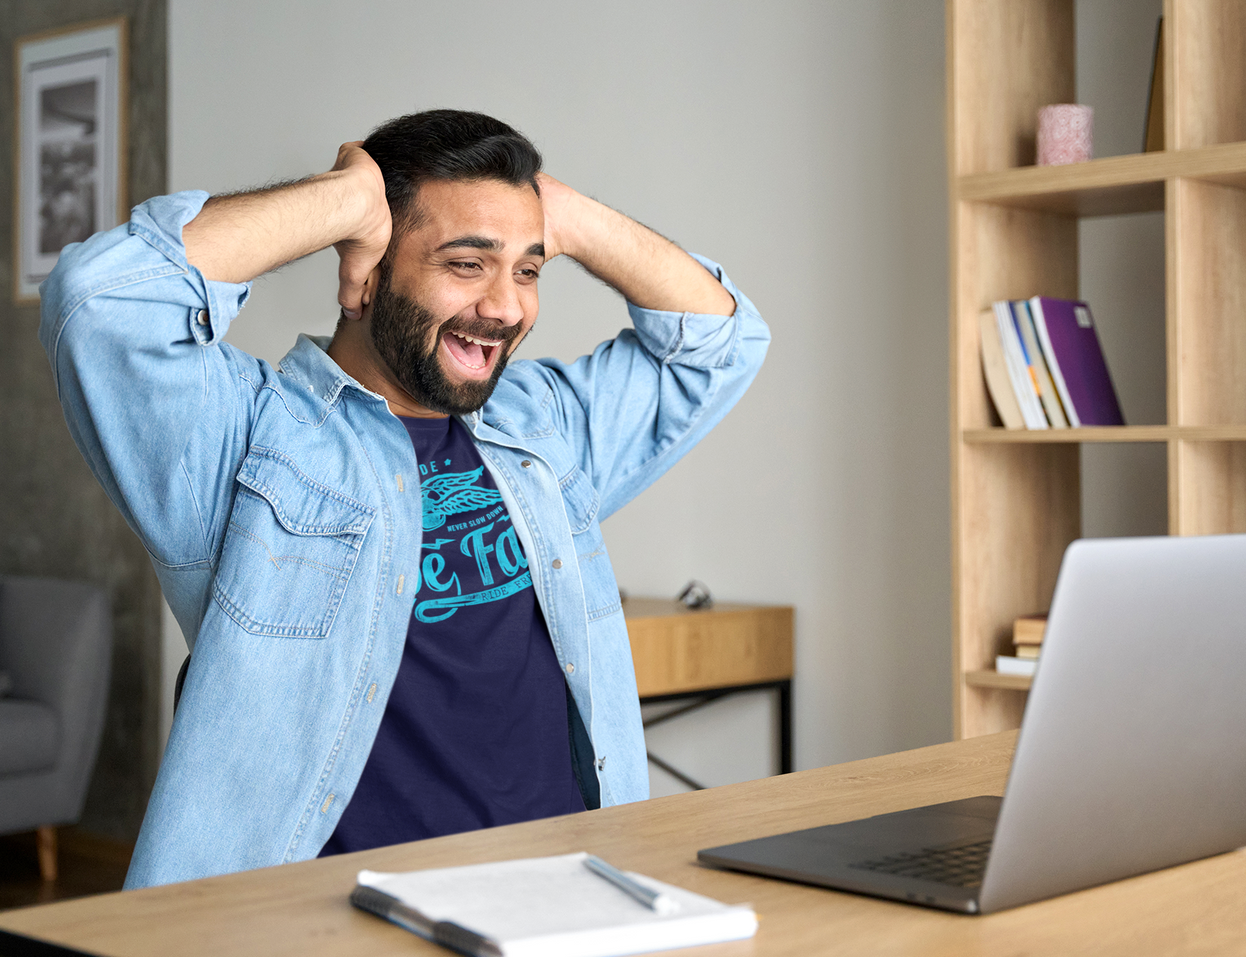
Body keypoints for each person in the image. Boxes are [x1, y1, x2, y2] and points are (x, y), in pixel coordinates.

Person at [41, 110, 768, 888]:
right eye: (466, 263)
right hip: (322, 919)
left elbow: (720, 345)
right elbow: (102, 304)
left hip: (565, 894)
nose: (506, 307)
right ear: (369, 272)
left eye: (527, 270)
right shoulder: (247, 437)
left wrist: (560, 212)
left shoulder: (542, 424)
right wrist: (343, 203)